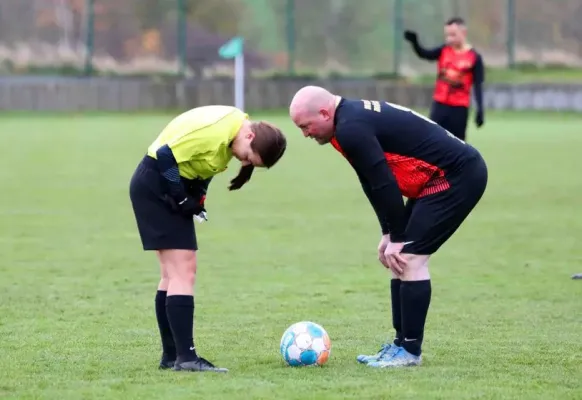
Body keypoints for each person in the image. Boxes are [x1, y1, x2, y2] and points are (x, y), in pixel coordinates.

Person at [289, 86, 488, 368]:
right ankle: (399, 345)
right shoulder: (346, 122)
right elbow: (370, 180)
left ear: (324, 113)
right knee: (398, 258)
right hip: (436, 179)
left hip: (458, 176)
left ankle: (409, 351)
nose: (305, 134)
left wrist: (398, 235)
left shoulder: (351, 127)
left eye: (305, 126)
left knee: (408, 258)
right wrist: (388, 231)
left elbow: (384, 182)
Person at [129, 105, 287, 373]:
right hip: (157, 185)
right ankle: (186, 359)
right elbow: (166, 155)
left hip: (161, 184)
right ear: (250, 137)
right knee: (184, 270)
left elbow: (203, 166)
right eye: (249, 158)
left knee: (172, 273)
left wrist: (197, 198)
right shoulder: (215, 132)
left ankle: (172, 356)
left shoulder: (234, 133)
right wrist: (179, 197)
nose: (245, 163)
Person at [404, 17, 485, 141]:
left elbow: (478, 85)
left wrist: (480, 109)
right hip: (440, 104)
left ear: (463, 33)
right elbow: (424, 54)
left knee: (457, 143)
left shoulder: (474, 57)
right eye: (447, 35)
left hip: (459, 108)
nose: (449, 38)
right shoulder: (444, 50)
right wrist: (415, 43)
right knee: (431, 139)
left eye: (453, 35)